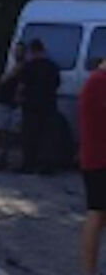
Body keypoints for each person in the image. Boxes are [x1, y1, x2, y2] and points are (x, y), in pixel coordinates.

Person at [18, 38, 61, 174]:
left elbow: (22, 86)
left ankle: (29, 164)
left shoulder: (28, 67)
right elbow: (57, 84)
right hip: (49, 105)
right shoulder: (53, 67)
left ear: (32, 51)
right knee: (48, 137)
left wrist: (19, 97)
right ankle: (47, 166)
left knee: (30, 136)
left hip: (31, 106)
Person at [80, 61, 106, 275]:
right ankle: (89, 271)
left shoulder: (96, 81)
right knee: (97, 214)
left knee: (98, 214)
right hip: (100, 160)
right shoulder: (99, 82)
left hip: (95, 157)